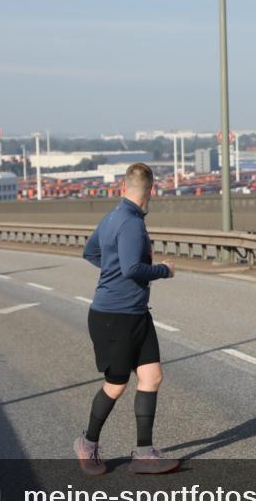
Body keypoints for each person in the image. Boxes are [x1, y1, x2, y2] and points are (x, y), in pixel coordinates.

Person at [76, 162, 179, 475]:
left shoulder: (111, 217)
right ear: (151, 192)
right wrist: (164, 270)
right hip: (114, 316)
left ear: (124, 188)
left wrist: (112, 268)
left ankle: (144, 453)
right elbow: (133, 269)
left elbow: (90, 253)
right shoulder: (131, 222)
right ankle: (87, 443)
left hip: (136, 313)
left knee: (152, 377)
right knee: (116, 383)